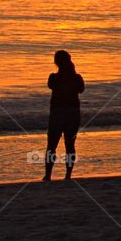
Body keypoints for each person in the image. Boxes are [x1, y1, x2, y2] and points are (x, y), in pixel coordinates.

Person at [43, 50, 85, 181]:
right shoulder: (77, 78)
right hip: (72, 114)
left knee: (51, 145)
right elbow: (81, 89)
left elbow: (51, 86)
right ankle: (68, 174)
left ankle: (48, 175)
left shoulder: (54, 78)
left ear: (56, 62)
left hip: (57, 113)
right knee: (70, 145)